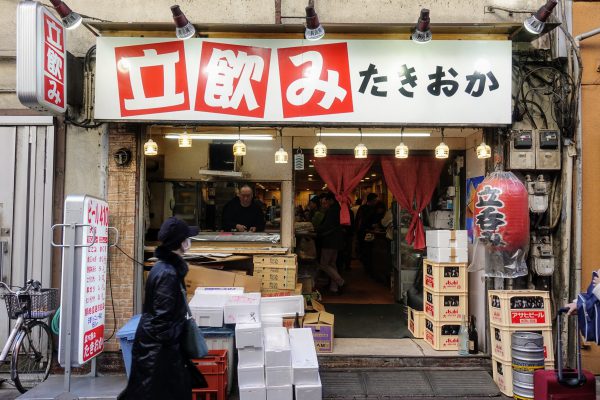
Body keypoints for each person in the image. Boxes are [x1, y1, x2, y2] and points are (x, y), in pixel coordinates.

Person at [120, 217, 206, 400]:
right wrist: (176, 342)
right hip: (159, 356)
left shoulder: (163, 268)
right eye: (187, 238)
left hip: (157, 352)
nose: (190, 242)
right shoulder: (167, 274)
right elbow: (162, 321)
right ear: (182, 243)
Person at [317, 192, 345, 294]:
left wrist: (316, 228)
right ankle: (334, 288)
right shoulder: (339, 208)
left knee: (324, 264)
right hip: (337, 240)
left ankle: (340, 281)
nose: (325, 204)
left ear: (330, 200)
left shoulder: (332, 210)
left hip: (329, 240)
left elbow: (326, 226)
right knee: (332, 264)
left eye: (326, 202)